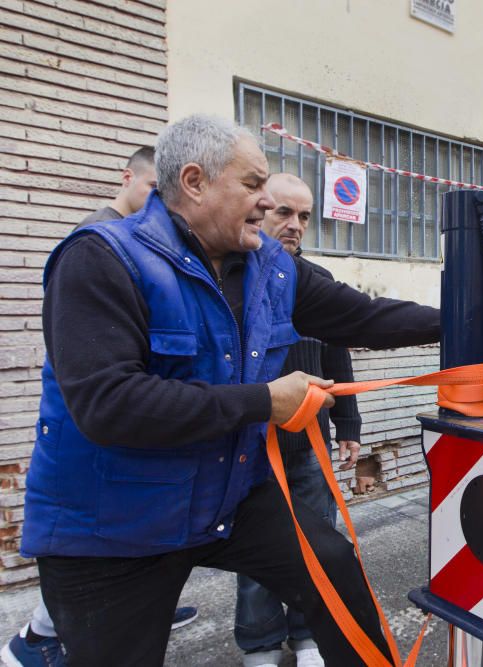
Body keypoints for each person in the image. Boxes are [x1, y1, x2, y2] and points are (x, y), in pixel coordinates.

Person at [20, 115, 440, 666]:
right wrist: (265, 401)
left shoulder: (271, 267)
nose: (267, 202)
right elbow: (108, 405)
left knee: (332, 569)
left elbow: (363, 317)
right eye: (252, 184)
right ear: (194, 182)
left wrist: (469, 322)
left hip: (224, 494)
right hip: (111, 525)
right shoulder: (99, 259)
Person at [2, 146, 197, 667]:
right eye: (155, 188)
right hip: (88, 430)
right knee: (90, 555)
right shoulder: (98, 239)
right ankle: (38, 640)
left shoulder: (147, 243)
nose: (164, 202)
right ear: (127, 177)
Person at [234, 174, 363, 667]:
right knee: (257, 555)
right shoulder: (233, 280)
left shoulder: (316, 283)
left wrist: (348, 427)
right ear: (259, 209)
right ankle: (260, 644)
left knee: (318, 544)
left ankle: (308, 636)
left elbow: (339, 357)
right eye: (284, 213)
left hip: (311, 444)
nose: (294, 225)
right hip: (252, 446)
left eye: (304, 216)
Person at [75, 146, 159, 229]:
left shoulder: (136, 228)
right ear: (127, 177)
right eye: (154, 186)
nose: (159, 196)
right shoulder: (96, 232)